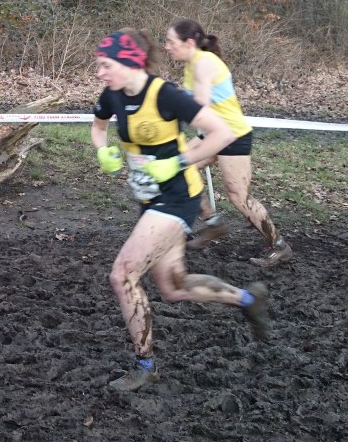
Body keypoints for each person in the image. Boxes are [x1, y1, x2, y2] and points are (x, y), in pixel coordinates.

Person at [90, 28, 270, 392]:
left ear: (130, 62)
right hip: (149, 201)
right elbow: (98, 125)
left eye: (106, 64)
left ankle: (145, 366)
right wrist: (102, 150)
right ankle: (248, 299)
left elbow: (222, 133)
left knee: (122, 275)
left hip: (177, 198)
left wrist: (177, 161)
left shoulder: (165, 95)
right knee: (173, 288)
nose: (99, 72)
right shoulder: (112, 94)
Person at [163, 19, 292, 267]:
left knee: (239, 197)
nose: (166, 47)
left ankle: (279, 246)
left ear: (188, 42)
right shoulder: (191, 65)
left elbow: (198, 106)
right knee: (176, 169)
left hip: (233, 135)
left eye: (170, 41)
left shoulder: (204, 63)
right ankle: (213, 224)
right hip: (212, 134)